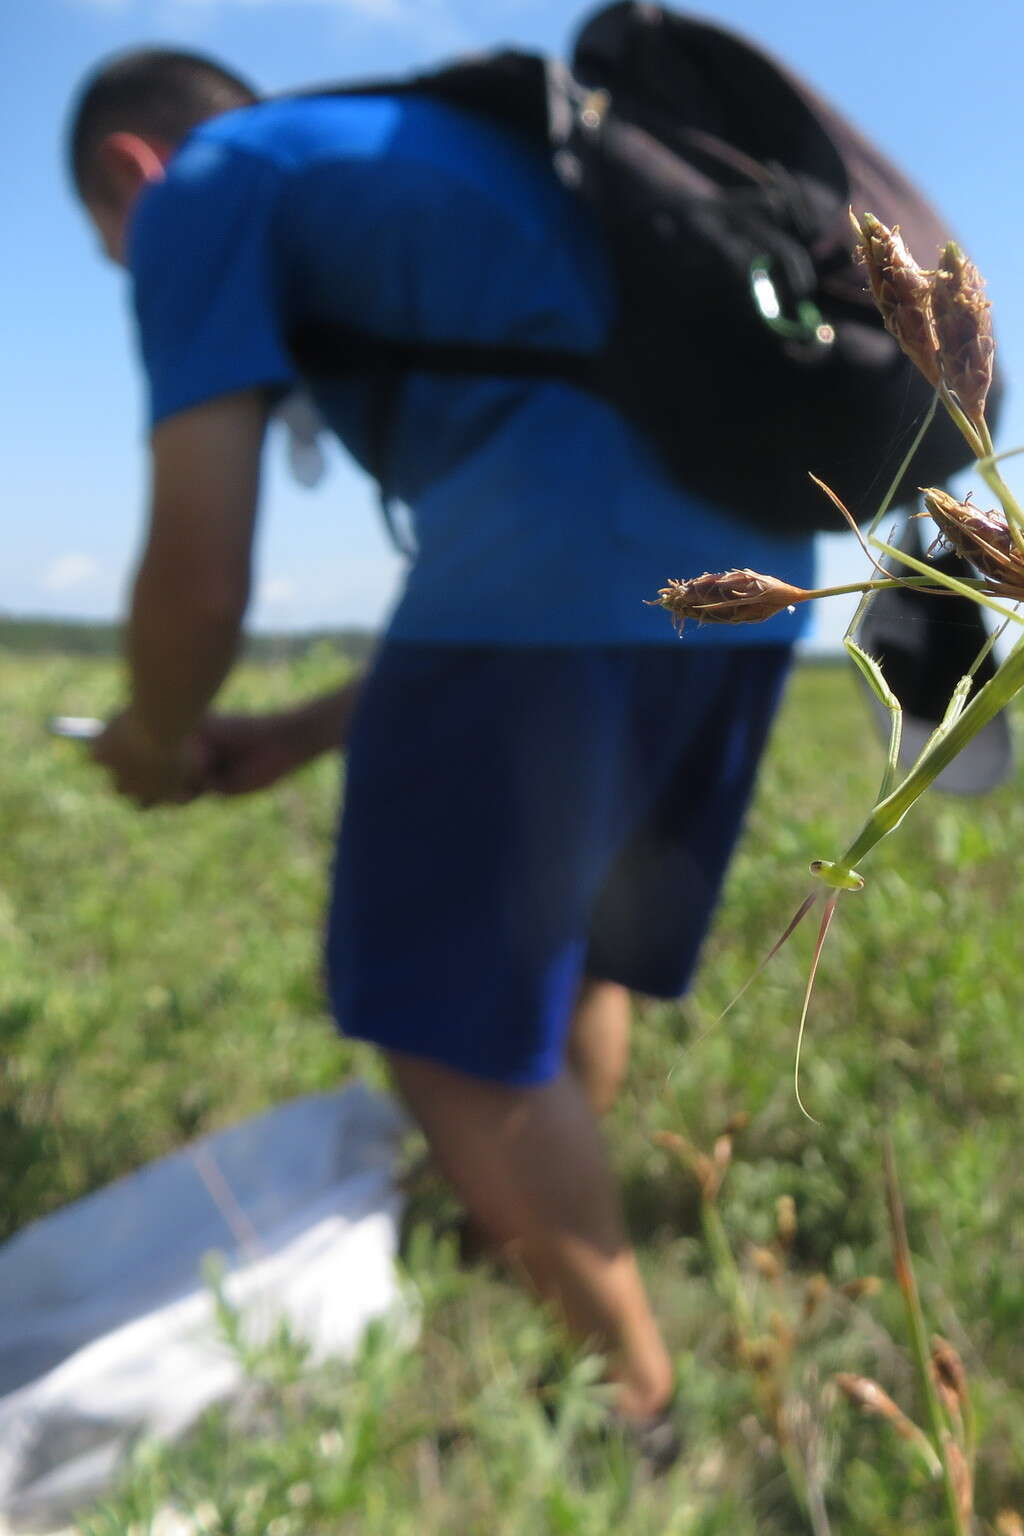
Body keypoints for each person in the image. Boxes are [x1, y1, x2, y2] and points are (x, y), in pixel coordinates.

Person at [66, 45, 818, 1443]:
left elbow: (201, 575)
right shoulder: (411, 150)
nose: (140, 268)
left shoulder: (200, 189)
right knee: (575, 950)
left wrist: (151, 737)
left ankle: (636, 1413)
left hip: (553, 571)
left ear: (127, 173)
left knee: (452, 1036)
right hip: (756, 583)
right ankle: (512, 1224)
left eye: (115, 251)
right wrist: (295, 733)